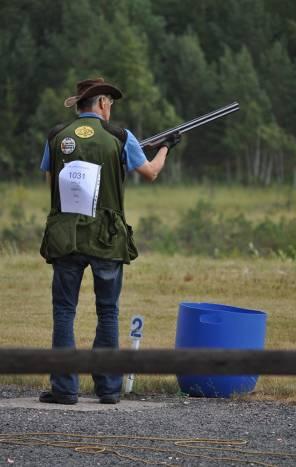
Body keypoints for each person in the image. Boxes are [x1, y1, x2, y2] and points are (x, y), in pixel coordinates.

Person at [39, 77, 181, 405]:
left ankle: (64, 388)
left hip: (65, 234)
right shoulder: (120, 136)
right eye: (110, 103)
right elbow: (151, 173)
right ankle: (108, 389)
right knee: (107, 310)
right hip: (107, 236)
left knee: (63, 311)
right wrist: (165, 147)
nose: (110, 108)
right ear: (102, 104)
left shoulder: (56, 136)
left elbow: (52, 183)